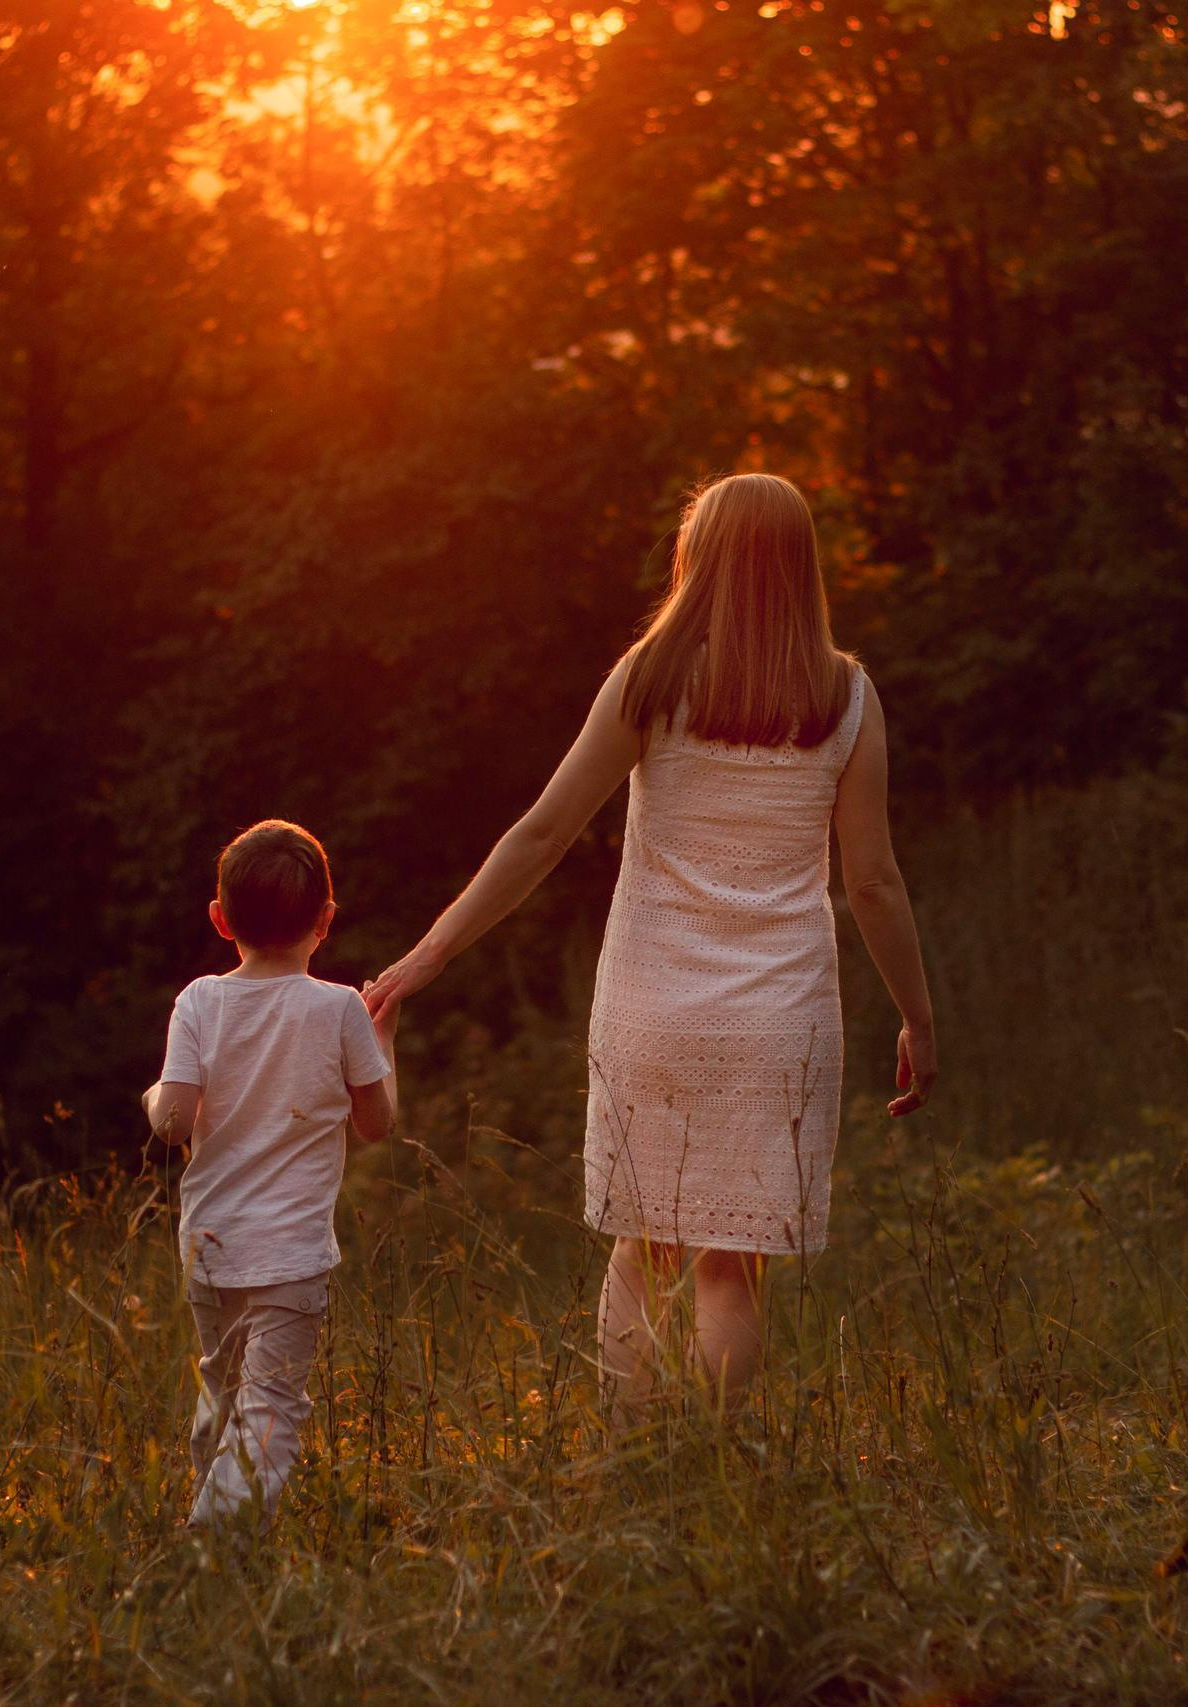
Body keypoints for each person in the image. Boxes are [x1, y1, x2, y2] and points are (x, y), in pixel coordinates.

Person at [361, 471, 937, 1411]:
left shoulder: (651, 678)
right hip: (779, 1018)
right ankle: (712, 1469)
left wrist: (428, 955)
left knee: (644, 1242)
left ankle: (633, 1456)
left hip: (653, 1005)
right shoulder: (848, 698)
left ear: (697, 559)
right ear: (800, 565)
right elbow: (871, 880)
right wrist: (917, 1016)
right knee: (731, 1269)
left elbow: (542, 833)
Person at [142, 820, 397, 1526]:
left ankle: (209, 1516)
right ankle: (214, 1542)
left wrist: (152, 1096)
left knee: (224, 1393)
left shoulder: (198, 1002)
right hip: (289, 1256)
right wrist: (385, 1038)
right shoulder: (343, 1008)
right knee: (270, 1404)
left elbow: (172, 1121)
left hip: (209, 1247)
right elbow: (377, 1124)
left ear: (220, 919)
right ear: (325, 920)